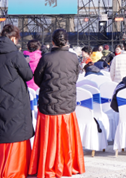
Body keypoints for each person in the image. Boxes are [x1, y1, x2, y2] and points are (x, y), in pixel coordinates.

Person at [29, 28, 85, 178]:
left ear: (52, 41)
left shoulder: (46, 58)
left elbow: (37, 80)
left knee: (49, 138)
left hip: (49, 103)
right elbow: (75, 78)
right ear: (66, 41)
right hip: (67, 104)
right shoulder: (74, 57)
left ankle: (48, 165)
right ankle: (67, 164)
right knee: (66, 138)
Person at [0, 24, 34, 178]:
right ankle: (14, 168)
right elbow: (28, 75)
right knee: (15, 131)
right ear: (13, 38)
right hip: (14, 98)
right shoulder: (15, 54)